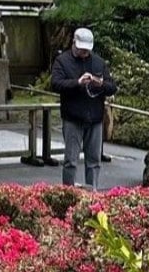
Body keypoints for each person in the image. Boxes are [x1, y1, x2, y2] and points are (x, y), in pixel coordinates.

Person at [50, 27, 118, 189]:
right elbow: (55, 84)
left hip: (95, 117)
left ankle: (92, 192)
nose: (84, 53)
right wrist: (77, 83)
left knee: (94, 161)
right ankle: (68, 192)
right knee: (70, 161)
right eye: (81, 49)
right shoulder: (62, 61)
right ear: (74, 43)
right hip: (72, 117)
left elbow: (112, 87)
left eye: (87, 50)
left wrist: (100, 83)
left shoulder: (98, 62)